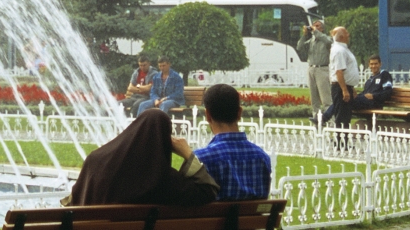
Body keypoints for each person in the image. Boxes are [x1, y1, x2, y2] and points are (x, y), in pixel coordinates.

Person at [64, 109, 219, 206]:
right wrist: (188, 154)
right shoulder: (163, 181)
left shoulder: (95, 162)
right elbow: (208, 190)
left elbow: (74, 199)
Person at [194, 84, 271, 200]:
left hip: (216, 218)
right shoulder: (262, 157)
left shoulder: (201, 158)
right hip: (255, 218)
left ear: (208, 115)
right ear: (239, 113)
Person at [315, 55, 393, 124]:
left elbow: (388, 92)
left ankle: (324, 118)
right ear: (369, 65)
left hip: (374, 103)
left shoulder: (384, 75)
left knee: (341, 101)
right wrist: (357, 95)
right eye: (371, 64)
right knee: (341, 101)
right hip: (364, 102)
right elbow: (365, 93)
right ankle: (335, 127)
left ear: (380, 64)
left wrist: (374, 96)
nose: (373, 66)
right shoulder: (370, 80)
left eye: (376, 64)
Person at [297, 20, 333, 116]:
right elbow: (299, 47)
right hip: (311, 68)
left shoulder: (327, 39)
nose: (315, 28)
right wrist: (305, 35)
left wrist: (316, 32)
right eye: (313, 26)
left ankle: (330, 120)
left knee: (326, 98)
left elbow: (329, 42)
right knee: (314, 99)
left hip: (322, 69)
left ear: (322, 28)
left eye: (317, 26)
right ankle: (317, 119)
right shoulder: (311, 41)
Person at [328, 26, 359, 128]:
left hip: (344, 86)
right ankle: (340, 143)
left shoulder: (342, 49)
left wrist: (351, 87)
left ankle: (343, 143)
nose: (348, 35)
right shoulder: (339, 51)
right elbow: (339, 72)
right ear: (341, 37)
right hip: (340, 87)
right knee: (342, 118)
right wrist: (344, 90)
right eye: (346, 33)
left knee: (346, 117)